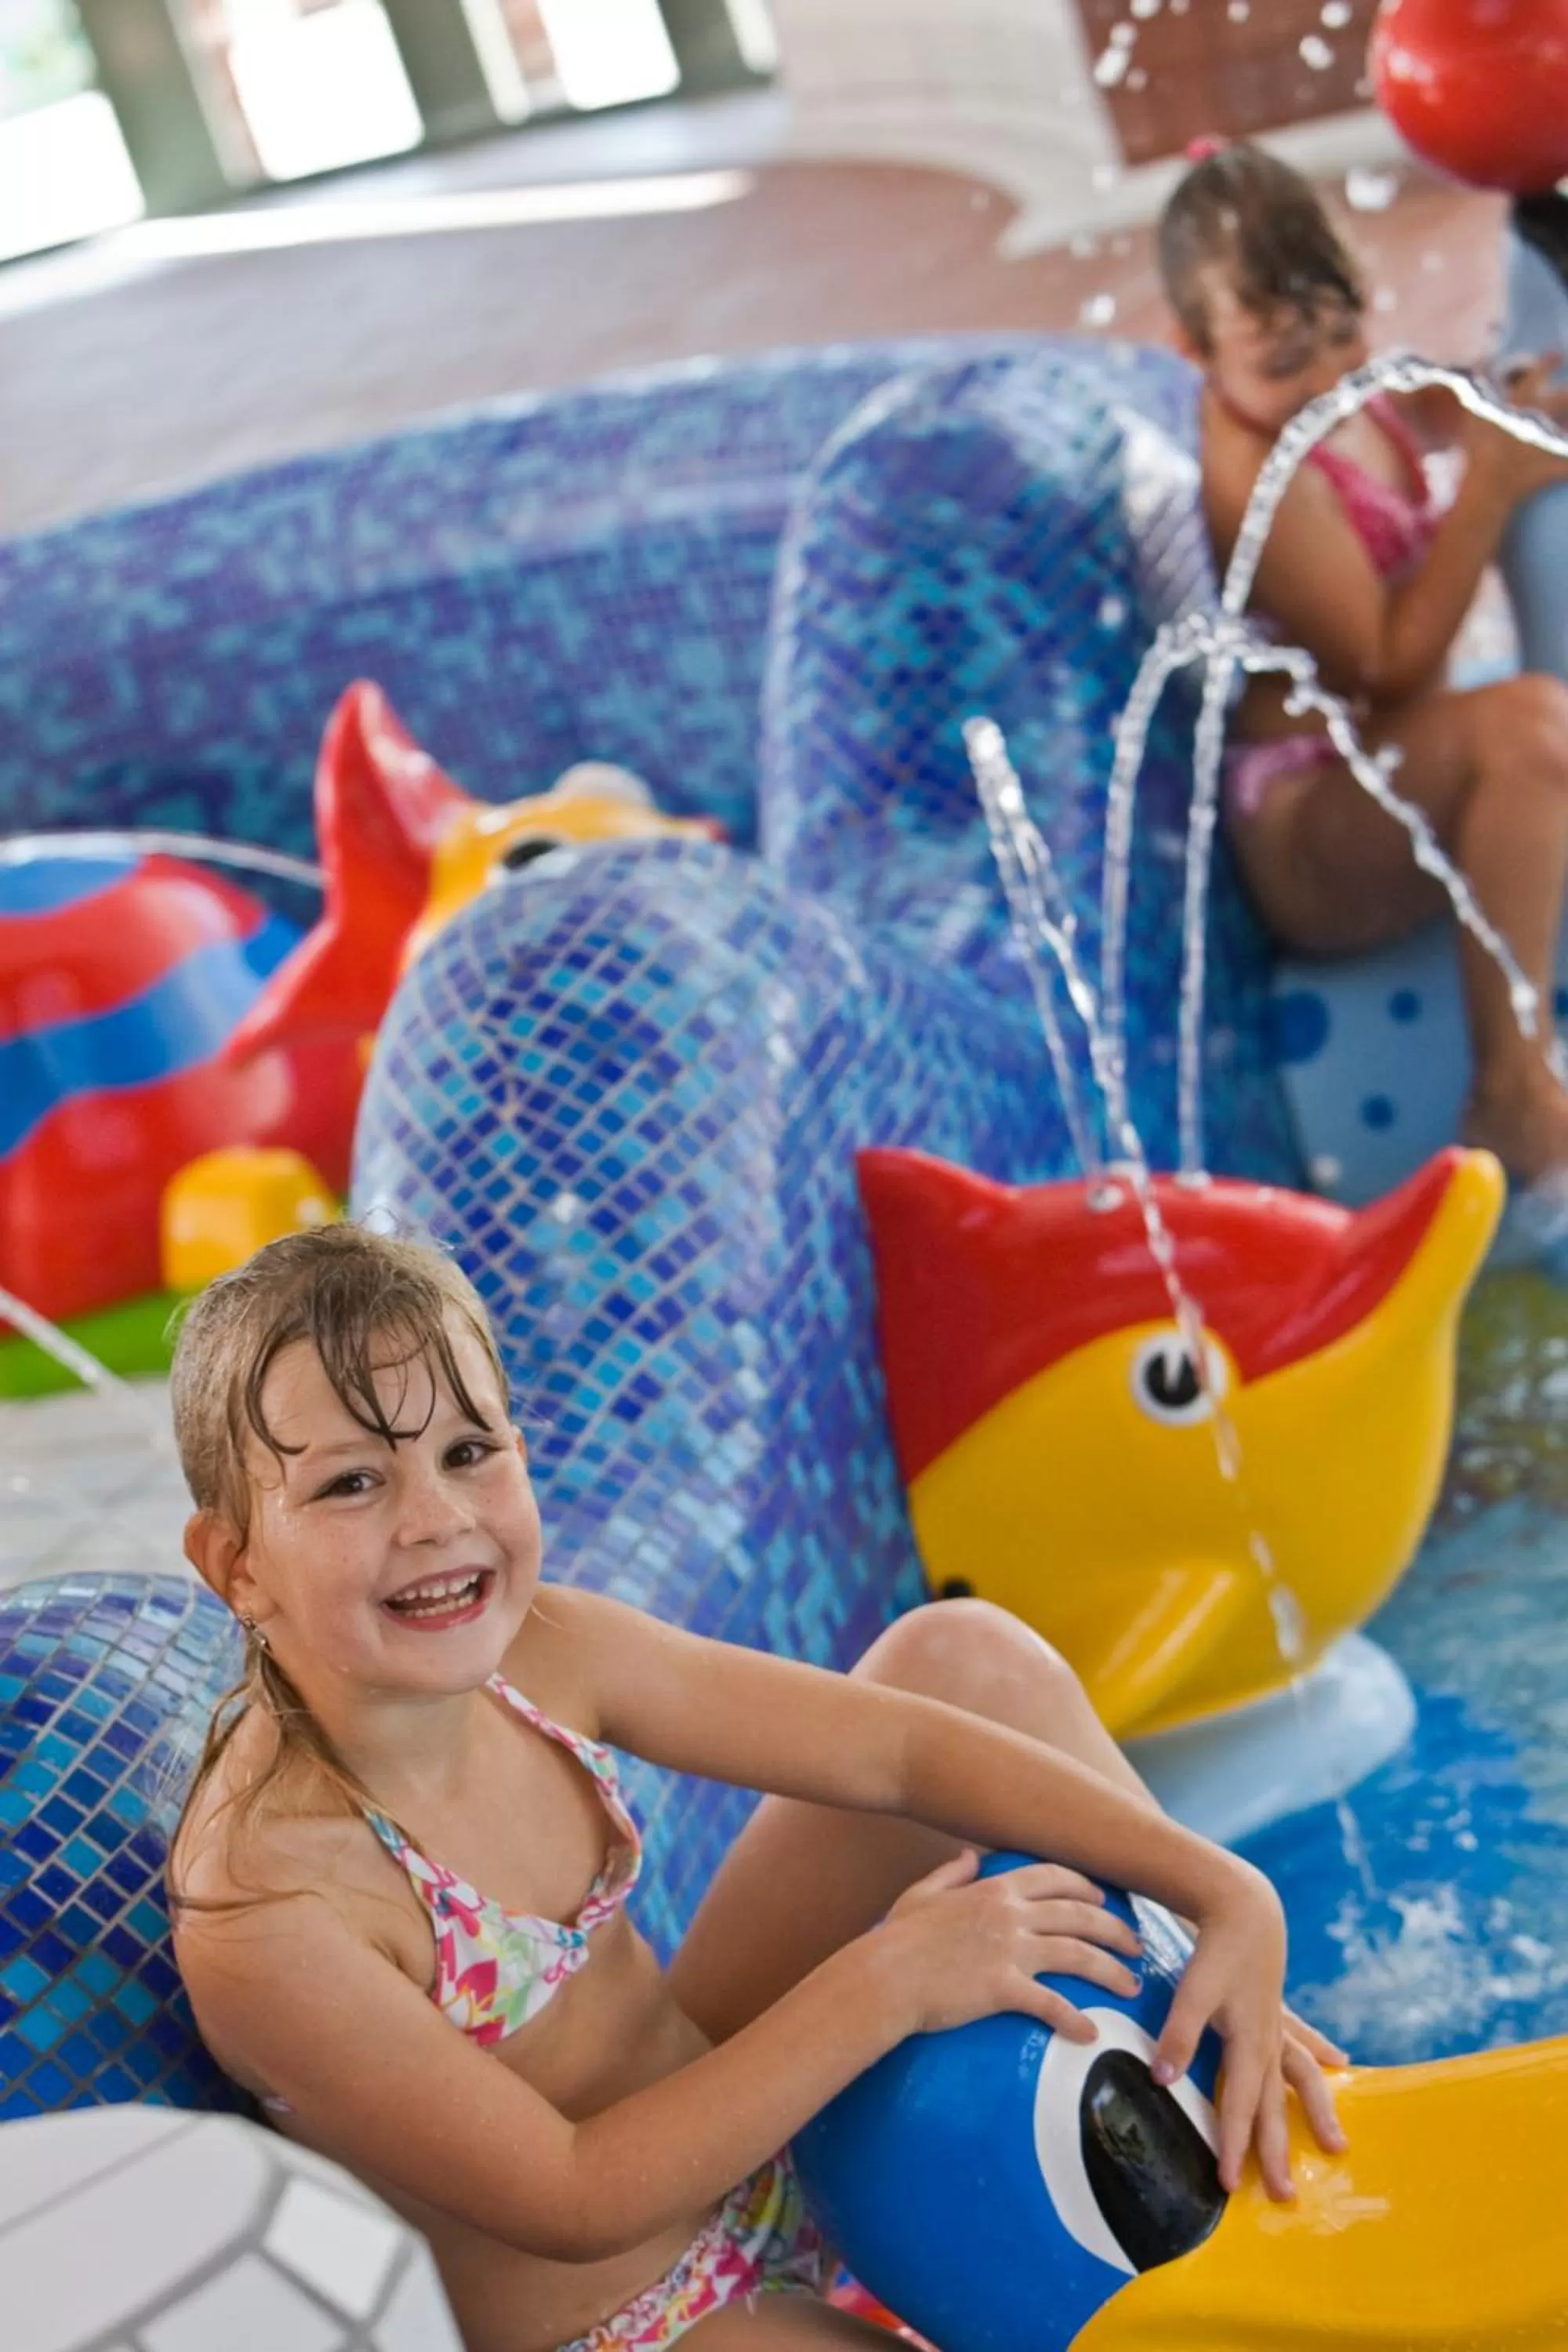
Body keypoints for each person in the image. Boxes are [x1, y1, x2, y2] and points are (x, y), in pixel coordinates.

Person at [168, 1222, 1345, 2352]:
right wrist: (890, 1982)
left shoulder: (542, 1648)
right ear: (236, 1565)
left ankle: (1229, 2038)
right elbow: (572, 2196)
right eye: (349, 1487)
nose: (436, 1521)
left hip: (755, 2122)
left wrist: (1223, 1887)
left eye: (468, 1453)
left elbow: (900, 1753)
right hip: (633, 2311)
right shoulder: (275, 1902)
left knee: (964, 1661)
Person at [1159, 141, 1568, 1218]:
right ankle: (1511, 1089)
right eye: (1285, 357)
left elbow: (1441, 406)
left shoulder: (1339, 393)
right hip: (1312, 837)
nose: (1329, 377)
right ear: (1194, 350)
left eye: (1345, 333)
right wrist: (1489, 490)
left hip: (1390, 781)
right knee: (1530, 729)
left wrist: (1513, 407)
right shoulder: (1261, 483)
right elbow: (1385, 665)